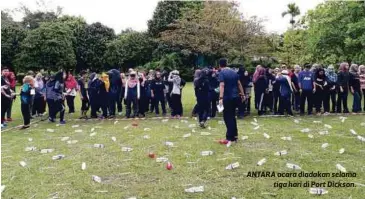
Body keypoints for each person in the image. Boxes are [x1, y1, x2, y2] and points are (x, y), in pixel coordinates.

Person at [218, 58, 245, 144]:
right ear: (226, 64)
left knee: (227, 117)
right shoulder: (234, 72)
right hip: (236, 97)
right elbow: (239, 84)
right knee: (232, 116)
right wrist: (243, 94)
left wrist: (221, 98)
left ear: (219, 65)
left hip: (227, 97)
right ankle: (235, 135)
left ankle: (229, 138)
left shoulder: (222, 73)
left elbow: (222, 85)